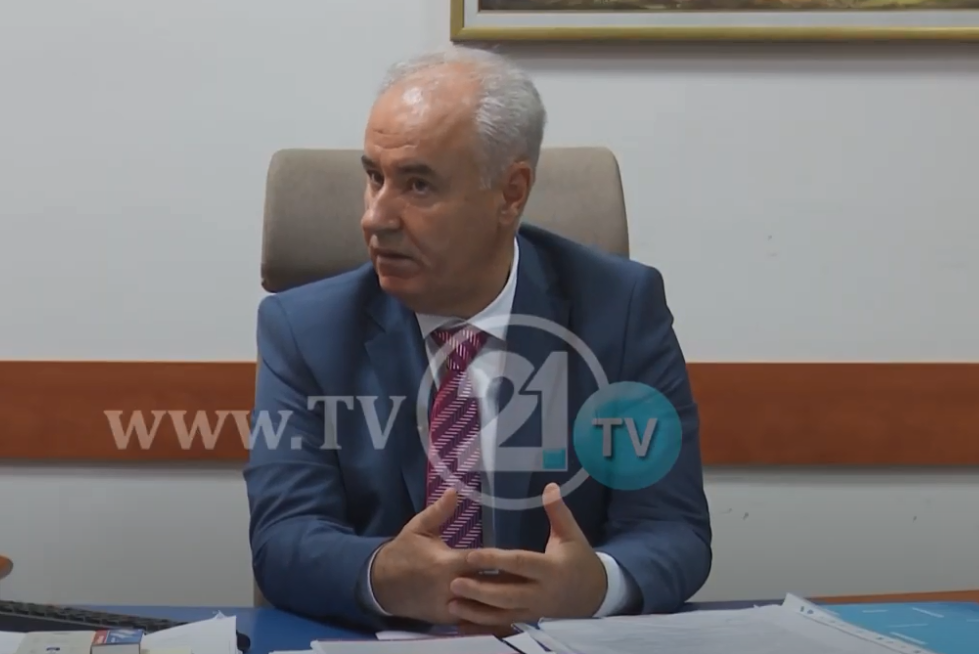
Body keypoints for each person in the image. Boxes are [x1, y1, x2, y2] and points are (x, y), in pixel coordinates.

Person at [243, 45, 711, 633]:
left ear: (511, 193)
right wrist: (381, 574)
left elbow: (672, 529)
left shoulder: (618, 311)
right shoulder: (304, 330)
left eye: (418, 185)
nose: (375, 217)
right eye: (374, 177)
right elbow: (284, 538)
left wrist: (596, 585)